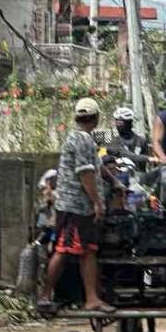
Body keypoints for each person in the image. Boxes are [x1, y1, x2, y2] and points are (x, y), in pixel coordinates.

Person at [38, 97, 115, 315]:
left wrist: (115, 182)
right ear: (97, 118)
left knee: (88, 251)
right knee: (64, 251)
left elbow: (98, 167)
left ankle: (91, 297)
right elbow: (86, 173)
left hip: (79, 208)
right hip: (75, 207)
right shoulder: (82, 140)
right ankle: (46, 296)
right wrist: (97, 202)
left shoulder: (84, 139)